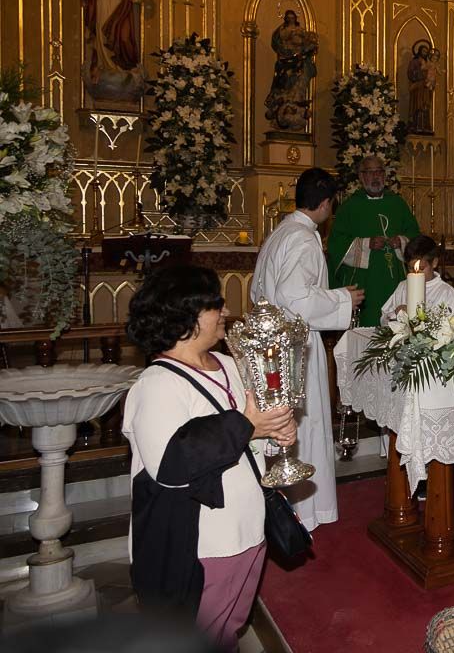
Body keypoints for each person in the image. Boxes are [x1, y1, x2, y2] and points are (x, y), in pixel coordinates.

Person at [123, 265, 296, 650]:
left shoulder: (231, 365)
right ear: (187, 315)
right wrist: (247, 425)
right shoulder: (157, 385)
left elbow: (249, 439)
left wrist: (274, 435)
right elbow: (171, 466)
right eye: (215, 305)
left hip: (247, 530)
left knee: (227, 630)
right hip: (203, 546)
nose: (225, 312)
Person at [251, 167, 364, 531]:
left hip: (274, 344)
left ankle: (286, 507)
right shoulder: (303, 237)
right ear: (327, 204)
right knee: (308, 422)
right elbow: (294, 296)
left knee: (285, 424)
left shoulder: (281, 232)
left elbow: (261, 290)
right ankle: (307, 513)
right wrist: (342, 299)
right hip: (294, 345)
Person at [327, 156, 420, 327]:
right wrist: (365, 244)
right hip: (365, 283)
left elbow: (414, 234)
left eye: (379, 172)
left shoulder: (398, 204)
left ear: (385, 176)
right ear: (361, 177)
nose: (376, 177)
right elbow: (336, 244)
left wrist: (401, 241)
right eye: (370, 173)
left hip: (395, 280)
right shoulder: (349, 207)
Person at [381, 235, 454, 319]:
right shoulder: (402, 287)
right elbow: (384, 319)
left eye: (421, 268)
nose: (415, 273)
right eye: (410, 268)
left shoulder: (446, 293)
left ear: (434, 263)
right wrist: (396, 313)